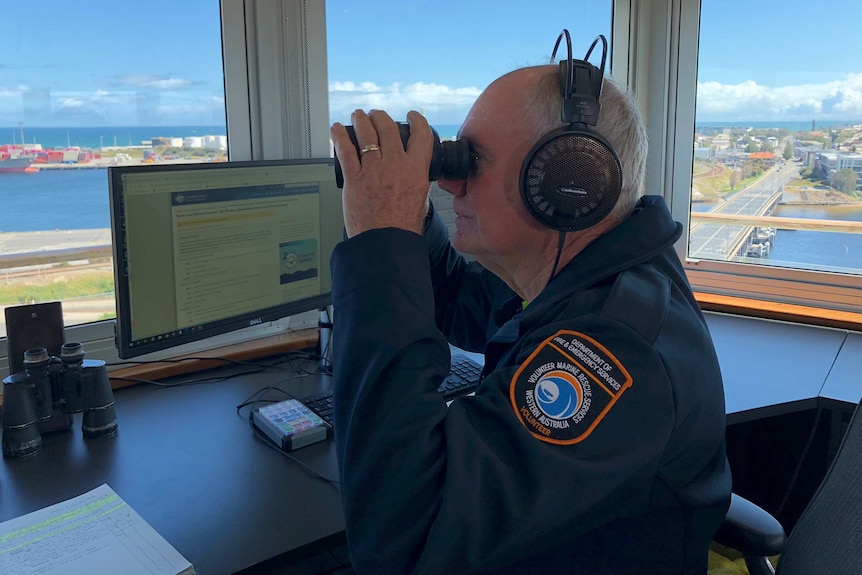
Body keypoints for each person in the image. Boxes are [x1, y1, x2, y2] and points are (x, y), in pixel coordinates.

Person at [328, 59, 731, 574]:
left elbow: (405, 540)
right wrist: (406, 214)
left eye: (472, 162)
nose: (451, 185)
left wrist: (380, 244)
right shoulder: (586, 276)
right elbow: (460, 301)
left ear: (568, 181)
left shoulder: (618, 352)